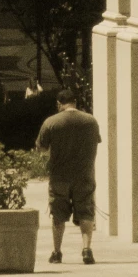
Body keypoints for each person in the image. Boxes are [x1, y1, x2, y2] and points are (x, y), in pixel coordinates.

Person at [33, 88, 101, 265]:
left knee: (58, 215)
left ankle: (57, 252)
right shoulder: (91, 121)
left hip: (59, 176)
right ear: (75, 102)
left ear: (59, 104)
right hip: (85, 174)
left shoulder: (51, 122)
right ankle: (87, 250)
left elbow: (41, 147)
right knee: (86, 211)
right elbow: (96, 142)